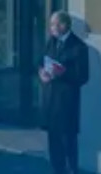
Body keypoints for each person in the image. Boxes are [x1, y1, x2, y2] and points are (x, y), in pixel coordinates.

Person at [40, 11, 89, 174]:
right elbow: (41, 61)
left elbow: (83, 76)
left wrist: (62, 73)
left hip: (67, 100)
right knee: (53, 140)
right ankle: (56, 169)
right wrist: (42, 72)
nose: (51, 28)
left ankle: (71, 169)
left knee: (68, 140)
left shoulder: (79, 47)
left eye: (54, 24)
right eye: (51, 24)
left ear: (64, 25)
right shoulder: (51, 42)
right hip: (51, 98)